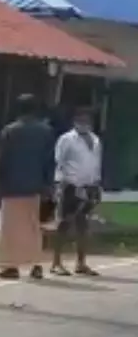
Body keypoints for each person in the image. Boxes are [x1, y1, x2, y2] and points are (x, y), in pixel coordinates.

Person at [0, 94, 55, 280]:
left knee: (9, 228)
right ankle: (36, 264)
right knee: (33, 226)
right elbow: (49, 161)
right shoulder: (46, 131)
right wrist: (47, 185)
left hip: (12, 186)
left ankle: (10, 266)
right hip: (35, 186)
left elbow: (1, 160)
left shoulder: (9, 131)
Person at [51, 106, 104, 277]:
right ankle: (56, 262)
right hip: (71, 186)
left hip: (90, 186)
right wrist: (61, 185)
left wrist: (97, 183)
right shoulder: (66, 139)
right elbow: (59, 162)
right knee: (64, 223)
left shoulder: (95, 140)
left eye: (88, 120)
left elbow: (96, 163)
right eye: (81, 120)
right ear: (74, 121)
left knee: (83, 224)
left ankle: (81, 263)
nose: (85, 123)